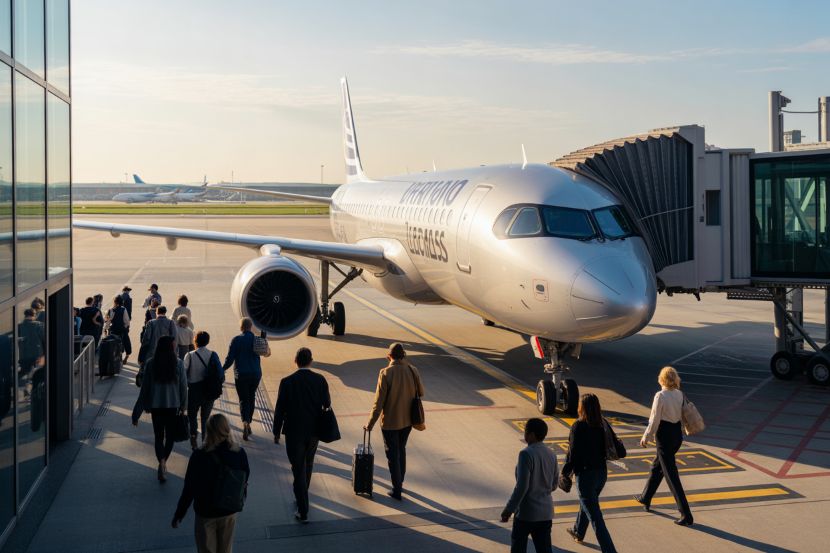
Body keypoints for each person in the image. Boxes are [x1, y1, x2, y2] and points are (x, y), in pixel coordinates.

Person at [172, 414, 249, 553]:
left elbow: (189, 488)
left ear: (208, 431)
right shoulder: (239, 452)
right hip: (228, 510)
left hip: (206, 513)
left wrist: (179, 514)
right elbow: (245, 477)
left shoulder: (199, 456)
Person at [272, 347, 331, 523]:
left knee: (298, 468)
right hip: (314, 431)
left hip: (294, 431)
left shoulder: (287, 382)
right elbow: (327, 403)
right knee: (308, 464)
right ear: (311, 361)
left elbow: (280, 409)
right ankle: (302, 495)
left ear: (295, 361)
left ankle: (302, 508)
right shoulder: (320, 380)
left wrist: (276, 431)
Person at [364, 343, 425, 501]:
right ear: (403, 355)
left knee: (392, 455)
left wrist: (370, 424)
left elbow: (378, 404)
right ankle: (400, 481)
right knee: (401, 449)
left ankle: (397, 489)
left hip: (390, 422)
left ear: (388, 356)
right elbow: (422, 392)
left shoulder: (385, 373)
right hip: (408, 421)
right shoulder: (413, 370)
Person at [635, 366, 693, 526]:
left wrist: (645, 436)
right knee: (657, 466)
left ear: (662, 379)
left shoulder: (660, 396)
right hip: (676, 435)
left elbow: (654, 420)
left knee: (671, 476)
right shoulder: (679, 394)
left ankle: (686, 514)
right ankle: (646, 497)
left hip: (664, 435)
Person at [562, 394, 617, 552]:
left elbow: (572, 454)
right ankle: (578, 531)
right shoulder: (603, 423)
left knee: (596, 518)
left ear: (581, 407)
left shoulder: (578, 426)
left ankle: (610, 550)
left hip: (586, 475)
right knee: (587, 503)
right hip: (601, 474)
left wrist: (565, 473)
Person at [132, 335, 187, 482]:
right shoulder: (179, 364)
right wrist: (183, 406)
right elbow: (183, 387)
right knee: (170, 437)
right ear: (171, 347)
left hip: (156, 407)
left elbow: (144, 389)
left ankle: (161, 462)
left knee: (158, 436)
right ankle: (163, 463)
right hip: (172, 406)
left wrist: (136, 413)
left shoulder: (151, 364)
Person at [501, 418, 559, 553]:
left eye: (526, 431)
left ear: (532, 434)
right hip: (546, 512)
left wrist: (509, 509)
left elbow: (522, 486)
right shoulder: (551, 454)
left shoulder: (526, 454)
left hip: (527, 513)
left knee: (518, 548)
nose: (524, 434)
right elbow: (554, 484)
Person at [222, 318, 269, 441]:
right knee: (251, 396)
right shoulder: (257, 339)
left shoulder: (236, 340)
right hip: (255, 374)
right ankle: (249, 421)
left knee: (243, 399)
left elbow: (230, 359)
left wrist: (222, 369)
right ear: (251, 327)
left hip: (241, 374)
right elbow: (266, 353)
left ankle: (245, 421)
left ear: (241, 327)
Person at [184, 331, 223, 448]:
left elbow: (184, 372)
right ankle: (205, 440)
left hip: (194, 389)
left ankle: (193, 435)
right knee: (205, 417)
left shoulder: (190, 355)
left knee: (192, 415)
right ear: (207, 341)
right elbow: (220, 373)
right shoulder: (213, 354)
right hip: (209, 390)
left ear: (195, 341)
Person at [106, 295, 132, 364]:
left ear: (115, 302)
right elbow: (127, 321)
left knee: (114, 344)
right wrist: (126, 327)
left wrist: (106, 329)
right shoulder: (123, 309)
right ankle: (126, 357)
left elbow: (108, 321)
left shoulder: (111, 310)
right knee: (126, 344)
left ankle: (118, 356)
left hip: (113, 330)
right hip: (122, 330)